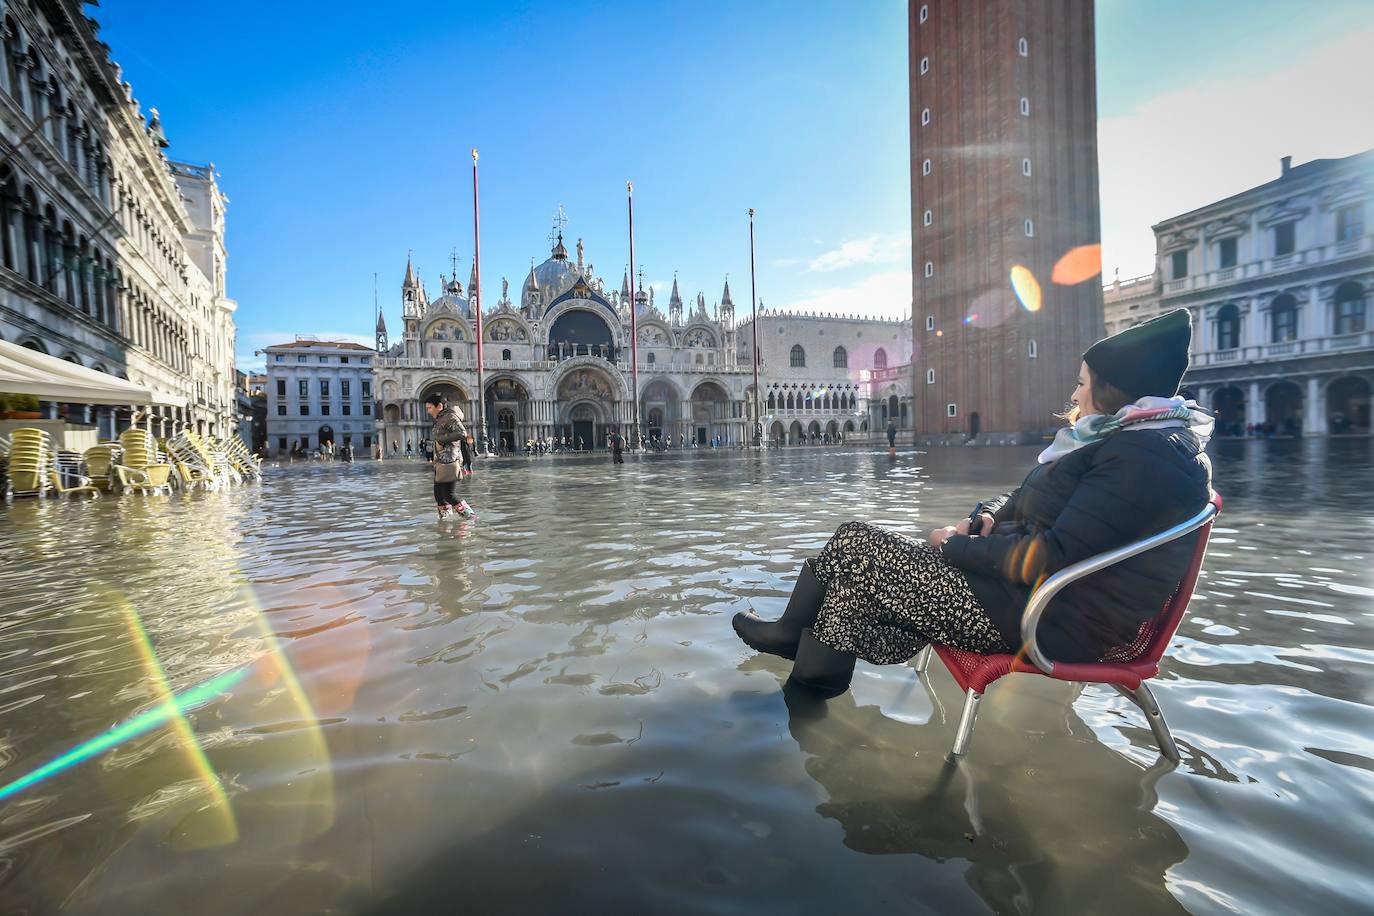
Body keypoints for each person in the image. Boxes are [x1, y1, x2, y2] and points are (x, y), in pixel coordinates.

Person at [733, 309, 1212, 698]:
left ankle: (792, 656)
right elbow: (1036, 502)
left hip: (1046, 620)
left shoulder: (1144, 455)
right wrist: (987, 518)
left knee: (855, 542)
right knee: (850, 591)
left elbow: (1052, 558)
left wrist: (953, 547)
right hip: (1031, 600)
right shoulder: (1134, 439)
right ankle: (806, 702)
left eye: (1084, 382)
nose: (1074, 393)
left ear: (1115, 389)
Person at [424, 393, 475, 520]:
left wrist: (441, 439)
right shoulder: (442, 418)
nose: (428, 411)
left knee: (448, 494)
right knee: (439, 495)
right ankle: (445, 524)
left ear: (439, 406)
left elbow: (462, 433)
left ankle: (471, 517)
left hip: (449, 460)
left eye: (430, 408)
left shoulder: (449, 416)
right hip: (441, 461)